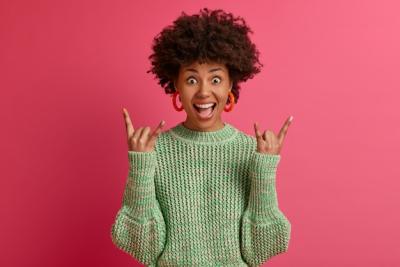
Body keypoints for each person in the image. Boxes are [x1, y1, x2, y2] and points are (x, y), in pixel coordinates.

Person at [110, 7, 293, 267]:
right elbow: (144, 248)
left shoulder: (250, 151)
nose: (204, 92)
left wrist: (264, 171)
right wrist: (140, 167)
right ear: (175, 83)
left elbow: (261, 249)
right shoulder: (154, 152)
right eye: (192, 80)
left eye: (216, 79)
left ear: (231, 83)